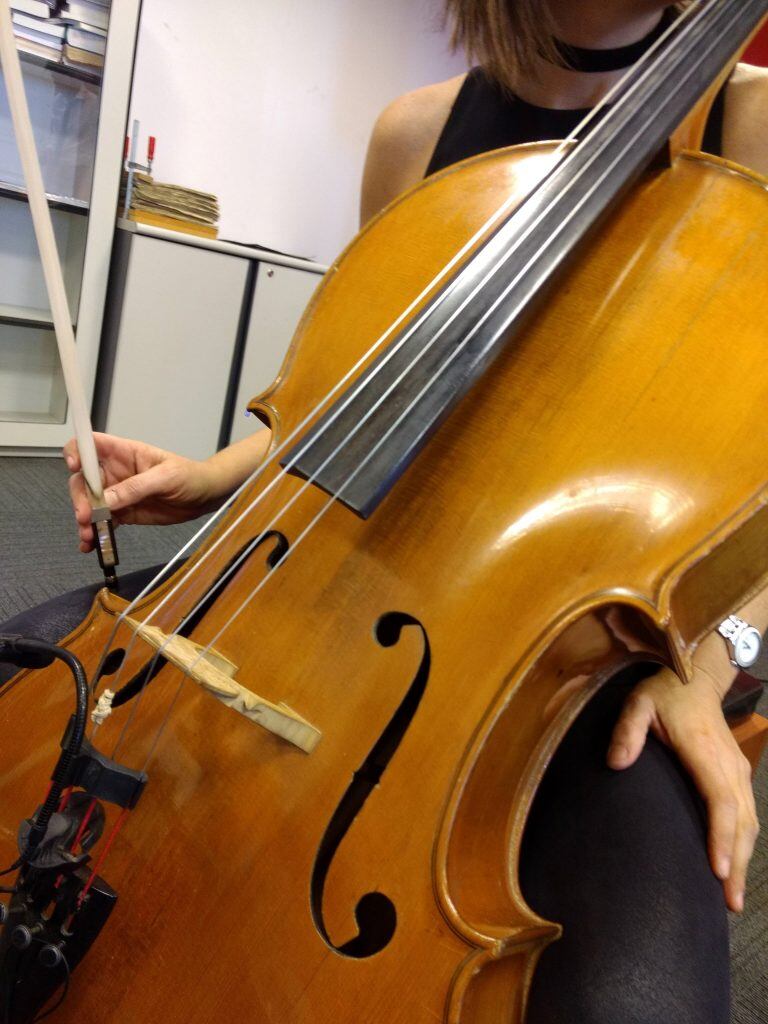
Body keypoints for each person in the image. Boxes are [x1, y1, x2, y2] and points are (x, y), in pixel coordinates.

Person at [5, 2, 766, 1021]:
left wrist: (720, 652)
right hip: (330, 572)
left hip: (579, 651)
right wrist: (215, 473)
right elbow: (348, 393)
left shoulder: (752, 132)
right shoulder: (416, 132)